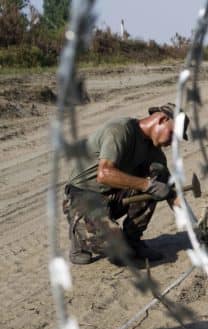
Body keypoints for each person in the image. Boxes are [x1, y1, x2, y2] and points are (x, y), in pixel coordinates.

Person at [63, 103, 190, 265]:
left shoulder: (154, 153)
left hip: (113, 196)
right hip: (83, 195)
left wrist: (193, 226)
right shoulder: (120, 130)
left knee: (159, 181)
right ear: (163, 119)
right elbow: (104, 174)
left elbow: (171, 191)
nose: (172, 143)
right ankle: (79, 237)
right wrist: (147, 185)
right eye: (173, 135)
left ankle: (132, 240)